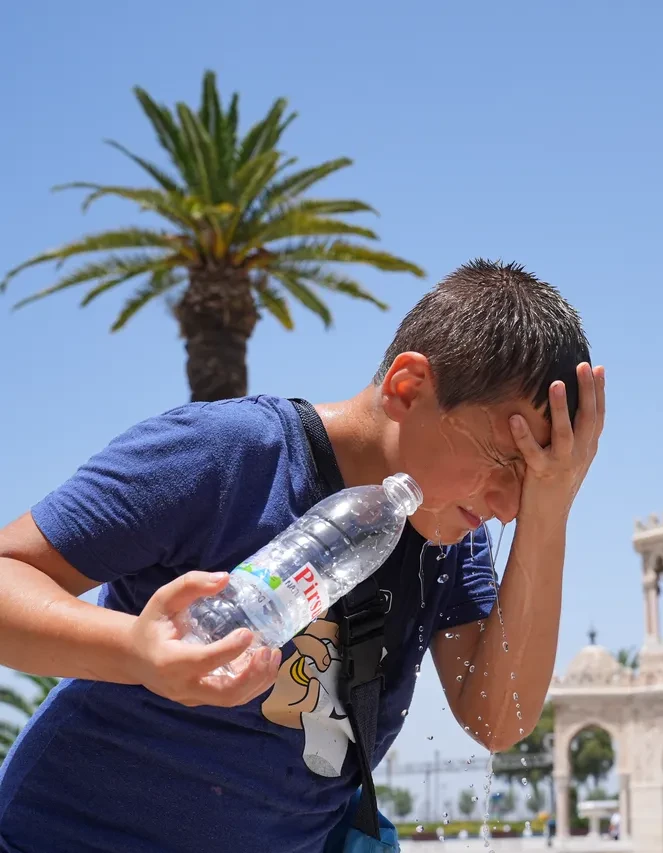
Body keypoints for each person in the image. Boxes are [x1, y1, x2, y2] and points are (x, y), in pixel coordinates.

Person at [0, 259, 605, 853]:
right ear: (409, 388)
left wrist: (550, 513)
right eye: (505, 461)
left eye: (536, 481)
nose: (508, 508)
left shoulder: (451, 535)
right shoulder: (230, 456)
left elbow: (498, 719)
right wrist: (135, 651)